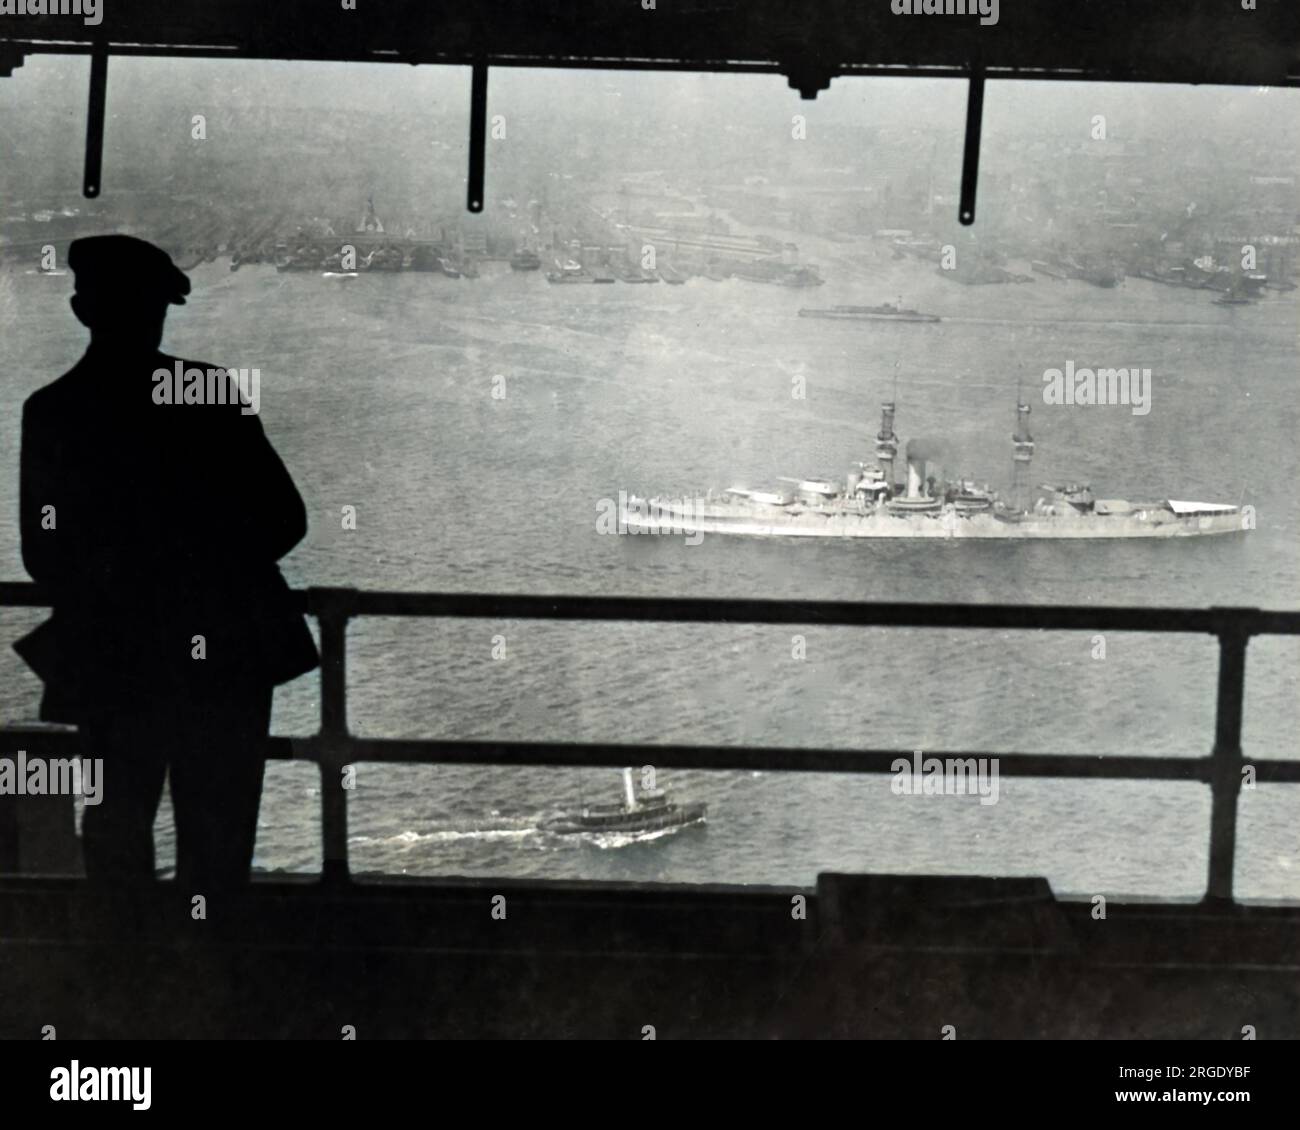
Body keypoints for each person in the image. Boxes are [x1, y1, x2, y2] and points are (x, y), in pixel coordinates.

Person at [16, 235, 318, 888]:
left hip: (111, 655)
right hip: (227, 653)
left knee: (115, 839)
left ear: (80, 310)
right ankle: (213, 977)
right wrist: (203, 570)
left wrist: (127, 580)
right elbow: (285, 519)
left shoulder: (53, 413)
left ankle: (127, 977)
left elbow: (44, 554)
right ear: (162, 310)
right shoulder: (207, 392)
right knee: (218, 847)